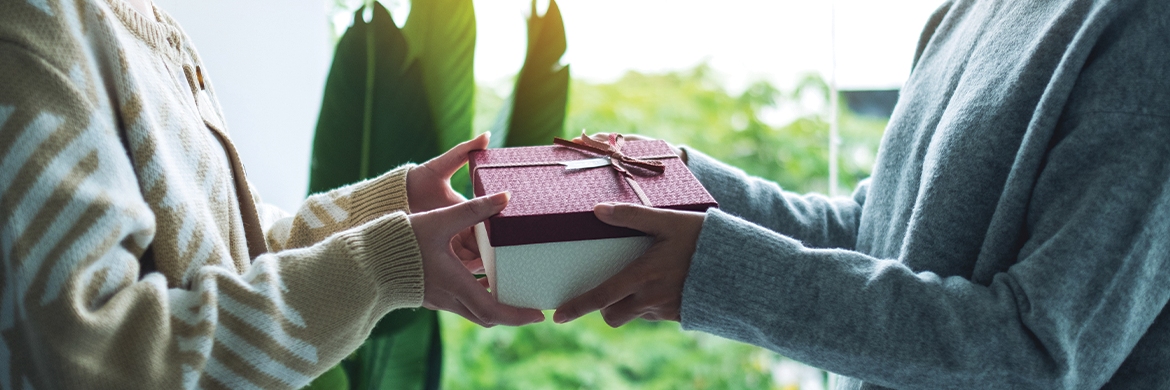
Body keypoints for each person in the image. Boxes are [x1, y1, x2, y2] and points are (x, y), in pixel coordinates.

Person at [554, 0, 1170, 388]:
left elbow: (1042, 355)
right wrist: (678, 181)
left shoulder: (1147, 28)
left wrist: (722, 274)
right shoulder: (961, 14)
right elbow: (875, 235)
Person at [0, 0, 543, 388]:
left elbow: (240, 247)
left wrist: (396, 206)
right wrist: (379, 268)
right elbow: (90, 361)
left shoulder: (144, 21)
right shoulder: (33, 32)